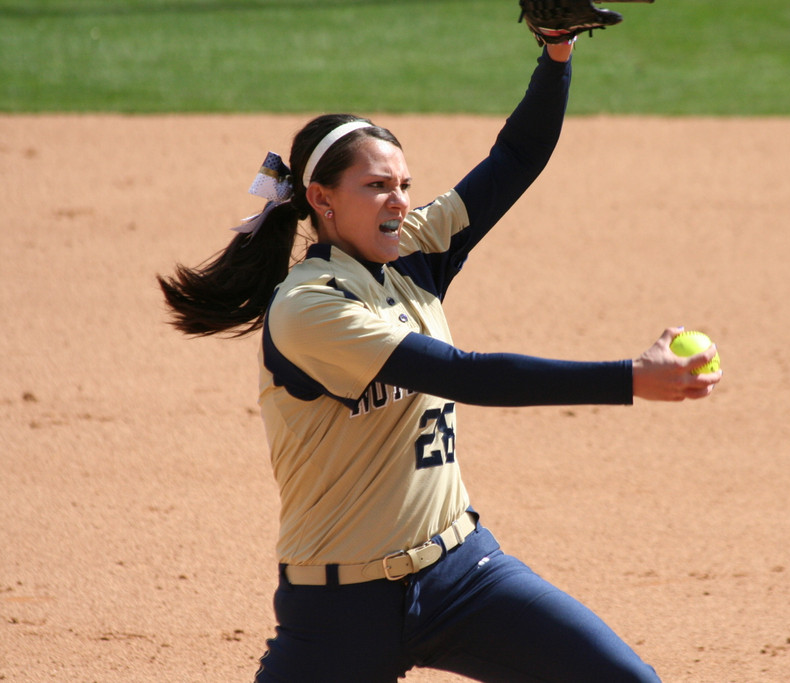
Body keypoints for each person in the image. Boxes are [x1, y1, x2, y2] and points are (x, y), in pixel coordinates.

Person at [158, 38, 720, 683]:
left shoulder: (414, 249)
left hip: (463, 575)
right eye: (376, 187)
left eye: (404, 186)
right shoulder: (308, 307)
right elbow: (463, 374)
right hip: (341, 609)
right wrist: (629, 379)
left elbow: (515, 157)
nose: (399, 202)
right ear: (321, 199)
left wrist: (557, 55)